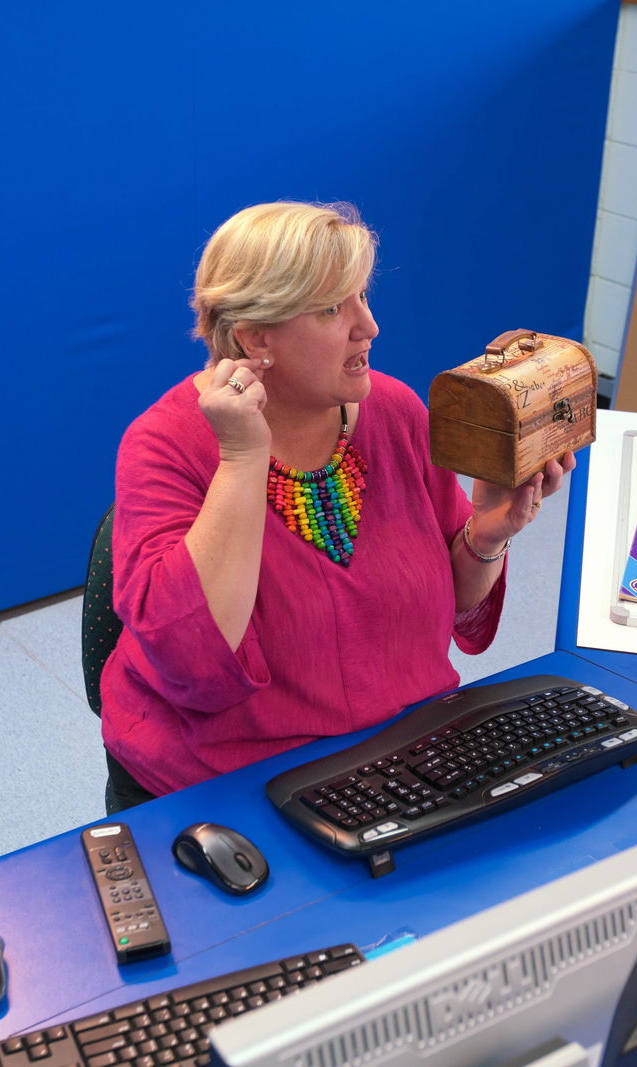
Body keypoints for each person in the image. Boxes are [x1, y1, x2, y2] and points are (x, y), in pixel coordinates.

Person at [99, 201, 572, 812]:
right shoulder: (163, 445)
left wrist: (485, 536)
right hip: (229, 786)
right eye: (330, 309)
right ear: (254, 336)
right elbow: (193, 660)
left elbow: (446, 607)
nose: (368, 327)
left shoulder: (396, 412)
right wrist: (243, 458)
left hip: (400, 761)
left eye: (362, 298)